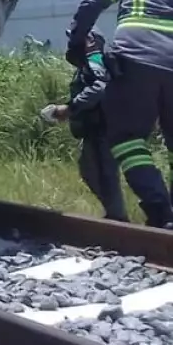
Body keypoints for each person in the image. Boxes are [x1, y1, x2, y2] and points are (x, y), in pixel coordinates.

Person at [66, 0, 173, 232]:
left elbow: (91, 3)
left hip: (135, 62)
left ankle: (160, 210)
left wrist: (76, 44)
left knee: (126, 138)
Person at [39, 31, 127, 222]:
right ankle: (115, 215)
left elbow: (100, 87)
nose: (72, 42)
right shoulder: (87, 63)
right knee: (90, 171)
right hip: (94, 129)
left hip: (105, 128)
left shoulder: (95, 59)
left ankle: (118, 219)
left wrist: (70, 109)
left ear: (90, 41)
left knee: (106, 175)